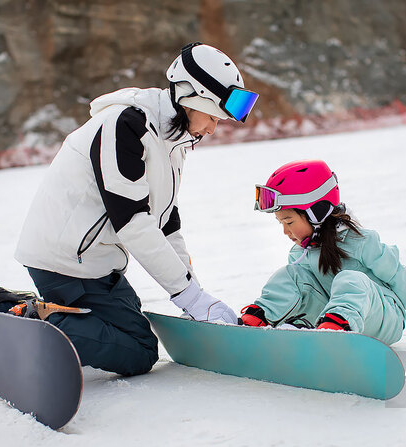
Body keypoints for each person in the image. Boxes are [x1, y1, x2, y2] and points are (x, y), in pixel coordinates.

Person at [14, 43, 259, 376]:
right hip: (65, 262)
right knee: (139, 350)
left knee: (127, 331)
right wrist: (187, 295)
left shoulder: (172, 139)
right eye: (213, 116)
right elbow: (132, 222)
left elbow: (166, 222)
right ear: (192, 98)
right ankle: (18, 317)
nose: (214, 128)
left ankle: (43, 313)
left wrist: (195, 294)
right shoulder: (125, 125)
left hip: (97, 263)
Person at [241, 159, 406, 346]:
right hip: (332, 315)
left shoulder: (362, 242)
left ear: (316, 212)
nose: (284, 231)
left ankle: (336, 332)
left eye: (288, 221)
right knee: (290, 274)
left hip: (384, 318)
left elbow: (401, 278)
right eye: (281, 223)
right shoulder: (300, 253)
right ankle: (259, 321)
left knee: (351, 279)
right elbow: (298, 292)